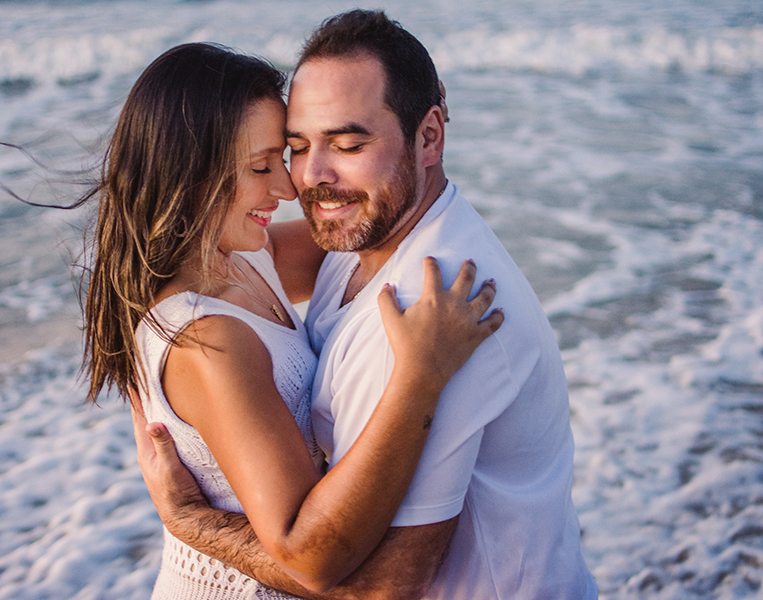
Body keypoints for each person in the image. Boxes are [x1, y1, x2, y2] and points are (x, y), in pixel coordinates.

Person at [134, 10, 598, 599]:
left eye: (349, 144)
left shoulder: (427, 316)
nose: (304, 181)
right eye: (295, 148)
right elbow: (194, 257)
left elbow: (380, 588)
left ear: (429, 136)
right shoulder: (357, 240)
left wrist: (192, 523)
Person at [80, 42, 503, 599]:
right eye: (261, 167)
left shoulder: (244, 258)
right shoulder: (210, 339)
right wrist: (419, 377)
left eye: (286, 155)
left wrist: (412, 113)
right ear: (189, 174)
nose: (287, 188)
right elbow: (311, 555)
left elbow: (371, 212)